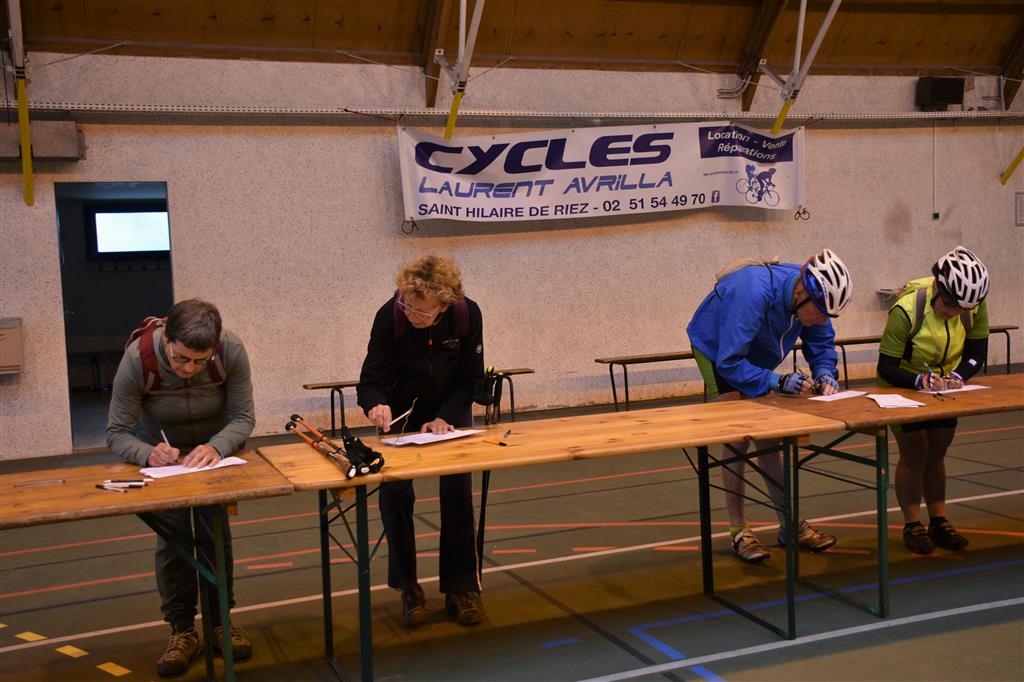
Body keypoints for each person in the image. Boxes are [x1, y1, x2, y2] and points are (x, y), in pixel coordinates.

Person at [107, 299, 255, 676]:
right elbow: (117, 433)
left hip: (213, 454)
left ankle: (220, 621)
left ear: (214, 348)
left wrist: (218, 446)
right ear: (166, 338)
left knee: (214, 534)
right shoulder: (137, 359)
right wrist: (146, 453)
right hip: (161, 458)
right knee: (173, 538)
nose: (189, 369)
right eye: (181, 359)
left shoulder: (231, 350)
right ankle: (182, 630)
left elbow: (243, 417)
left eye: (200, 361)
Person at [687, 249, 853, 562]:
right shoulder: (752, 293)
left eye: (828, 315)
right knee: (737, 437)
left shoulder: (814, 298)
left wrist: (825, 373)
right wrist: (776, 381)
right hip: (717, 349)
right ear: (801, 292)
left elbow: (821, 343)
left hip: (754, 349)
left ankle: (789, 523)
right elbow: (730, 361)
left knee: (770, 437)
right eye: (819, 312)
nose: (822, 320)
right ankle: (739, 531)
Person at [357, 254, 485, 628]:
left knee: (458, 495)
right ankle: (408, 588)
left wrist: (445, 416)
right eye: (408, 306)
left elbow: (470, 378)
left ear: (444, 305)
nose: (412, 314)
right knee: (394, 497)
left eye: (422, 312)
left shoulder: (467, 315)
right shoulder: (390, 315)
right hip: (400, 413)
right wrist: (375, 404)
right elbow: (371, 378)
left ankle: (461, 589)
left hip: (449, 412)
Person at [876, 246, 990, 555]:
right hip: (902, 384)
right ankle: (912, 524)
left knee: (938, 450)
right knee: (915, 451)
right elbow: (886, 366)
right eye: (950, 305)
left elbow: (977, 353)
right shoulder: (907, 309)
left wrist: (959, 376)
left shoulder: (973, 304)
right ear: (938, 287)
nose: (954, 313)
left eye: (962, 309)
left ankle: (938, 520)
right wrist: (918, 381)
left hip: (942, 385)